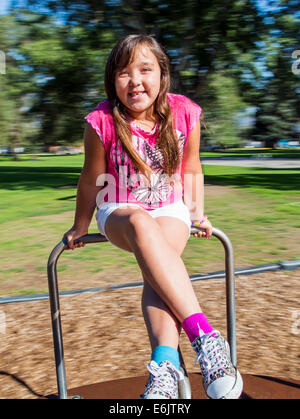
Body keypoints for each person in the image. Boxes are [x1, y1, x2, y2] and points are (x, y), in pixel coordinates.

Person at [64, 34, 243, 399]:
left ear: (163, 75)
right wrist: (80, 224)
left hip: (170, 207)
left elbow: (192, 166)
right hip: (118, 208)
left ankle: (165, 366)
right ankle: (205, 338)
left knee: (157, 272)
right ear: (112, 80)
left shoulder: (184, 113)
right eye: (123, 72)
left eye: (145, 69)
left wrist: (197, 212)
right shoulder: (102, 120)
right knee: (141, 224)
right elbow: (90, 177)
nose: (135, 81)